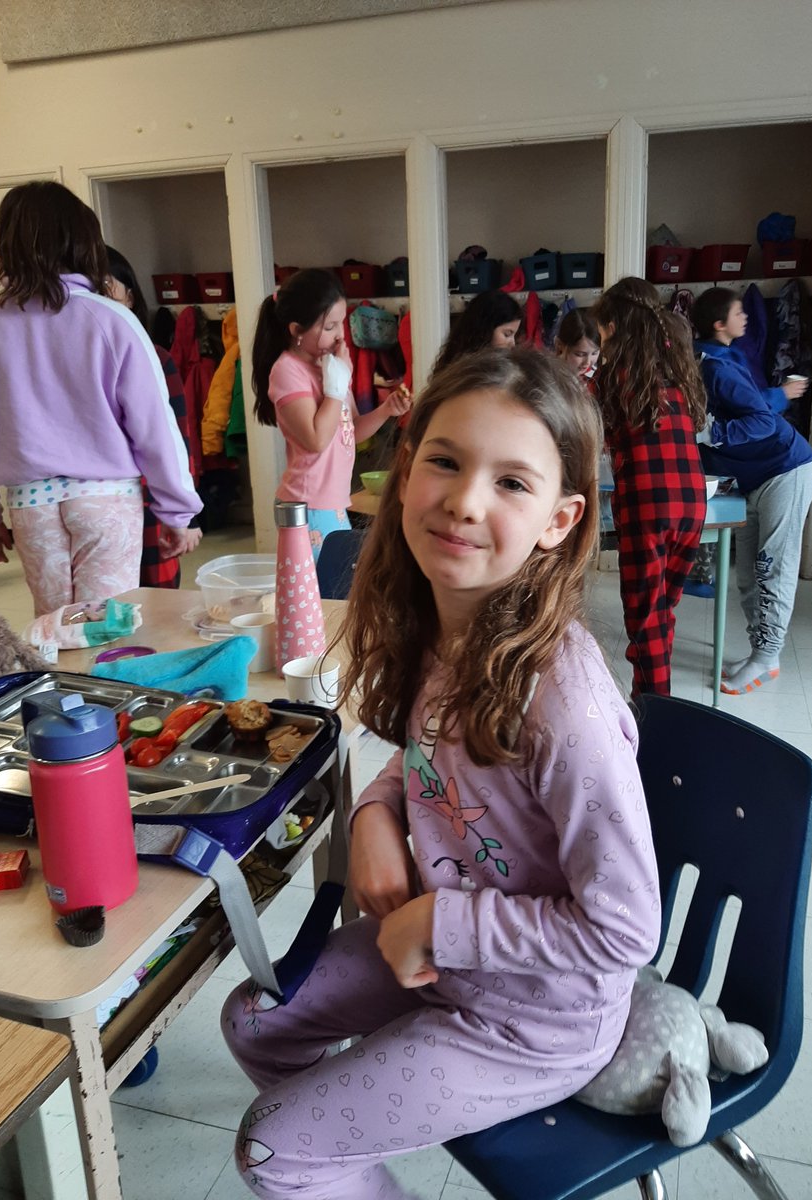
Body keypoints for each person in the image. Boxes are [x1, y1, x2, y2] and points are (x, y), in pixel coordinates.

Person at [222, 348, 660, 1200]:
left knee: (274, 1151)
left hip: (538, 1015)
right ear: (407, 465)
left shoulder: (559, 702)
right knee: (254, 1022)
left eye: (511, 483)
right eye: (447, 463)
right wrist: (375, 818)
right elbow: (426, 760)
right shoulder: (443, 625)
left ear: (559, 521)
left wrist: (440, 923)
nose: (463, 502)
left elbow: (622, 932)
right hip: (442, 956)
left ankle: (322, 1159)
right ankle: (344, 1154)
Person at [0, 181, 201, 616]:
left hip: (29, 505)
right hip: (106, 502)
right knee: (106, 631)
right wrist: (177, 512)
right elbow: (155, 427)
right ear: (82, 240)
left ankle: (66, 687)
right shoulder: (110, 319)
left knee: (55, 628)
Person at [692, 287, 812, 695]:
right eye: (738, 312)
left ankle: (767, 657)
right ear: (717, 324)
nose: (745, 318)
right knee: (748, 572)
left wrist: (713, 433)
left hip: (786, 469)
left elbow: (762, 421)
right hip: (753, 479)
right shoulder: (705, 365)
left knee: (771, 569)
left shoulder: (717, 368)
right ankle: (761, 651)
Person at [591, 276, 708, 697]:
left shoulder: (612, 376)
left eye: (602, 329)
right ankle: (657, 700)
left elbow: (585, 428)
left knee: (644, 618)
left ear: (614, 325)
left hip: (647, 505)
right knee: (661, 610)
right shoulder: (678, 371)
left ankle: (654, 712)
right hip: (693, 503)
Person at [251, 269, 411, 560]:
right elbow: (316, 440)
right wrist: (337, 383)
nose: (339, 335)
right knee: (320, 594)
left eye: (341, 325)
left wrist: (386, 409)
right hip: (308, 504)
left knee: (330, 589)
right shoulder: (287, 371)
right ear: (296, 330)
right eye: (329, 327)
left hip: (331, 501)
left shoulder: (329, 365)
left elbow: (351, 431)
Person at [105, 245, 196, 589]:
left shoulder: (155, 357)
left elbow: (176, 442)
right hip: (101, 503)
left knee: (157, 599)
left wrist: (182, 513)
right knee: (107, 604)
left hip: (149, 496)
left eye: (104, 287)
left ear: (130, 296)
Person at [432, 288, 521, 373]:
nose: (512, 343)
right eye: (507, 334)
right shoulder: (467, 370)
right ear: (485, 330)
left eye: (514, 335)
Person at [554, 307, 601, 380]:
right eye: (580, 354)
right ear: (560, 345)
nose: (587, 363)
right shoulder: (549, 378)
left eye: (594, 353)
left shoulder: (595, 374)